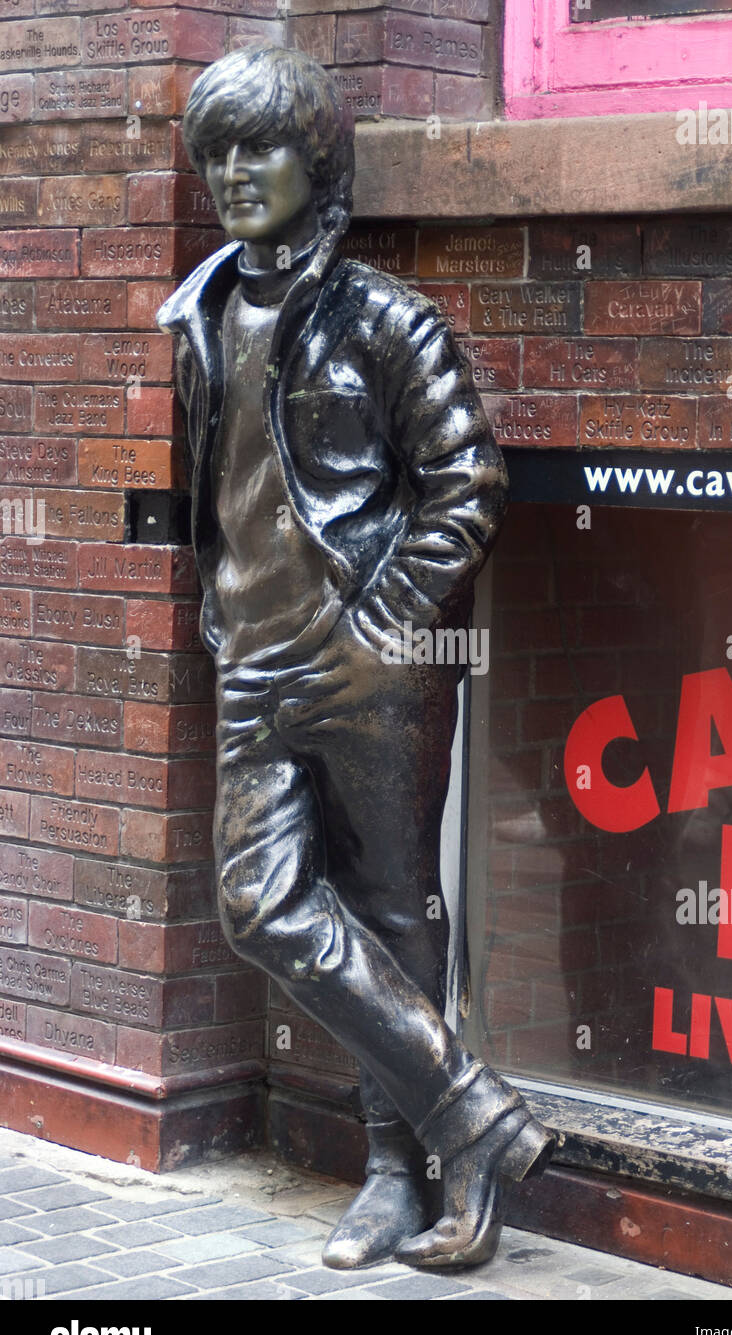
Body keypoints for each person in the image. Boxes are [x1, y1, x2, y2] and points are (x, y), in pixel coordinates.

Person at [157, 43, 555, 1271]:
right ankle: (473, 1114)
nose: (233, 174)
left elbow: (466, 479)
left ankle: (400, 1174)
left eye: (259, 149)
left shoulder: (385, 318)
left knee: (389, 907)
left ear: (317, 162)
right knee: (260, 904)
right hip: (255, 663)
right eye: (215, 153)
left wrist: (384, 612)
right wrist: (225, 619)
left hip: (366, 660)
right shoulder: (200, 313)